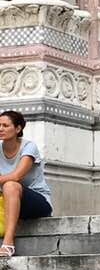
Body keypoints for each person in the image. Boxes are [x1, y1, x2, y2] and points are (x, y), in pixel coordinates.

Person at [0, 110, 53, 258]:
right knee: (8, 187)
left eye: (5, 125)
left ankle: (8, 243)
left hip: (36, 202)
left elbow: (17, 175)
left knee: (10, 185)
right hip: (7, 201)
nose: (0, 129)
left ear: (17, 129)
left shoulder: (29, 147)